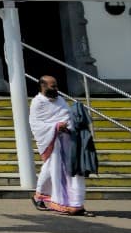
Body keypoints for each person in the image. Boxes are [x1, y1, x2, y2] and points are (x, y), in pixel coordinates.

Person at [29, 75, 91, 215]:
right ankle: (43, 197)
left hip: (68, 140)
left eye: (56, 85)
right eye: (53, 86)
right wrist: (56, 127)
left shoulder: (61, 100)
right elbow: (36, 124)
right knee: (51, 168)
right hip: (52, 141)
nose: (56, 89)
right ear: (43, 86)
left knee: (67, 172)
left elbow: (67, 116)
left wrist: (70, 125)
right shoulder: (37, 102)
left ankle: (70, 202)